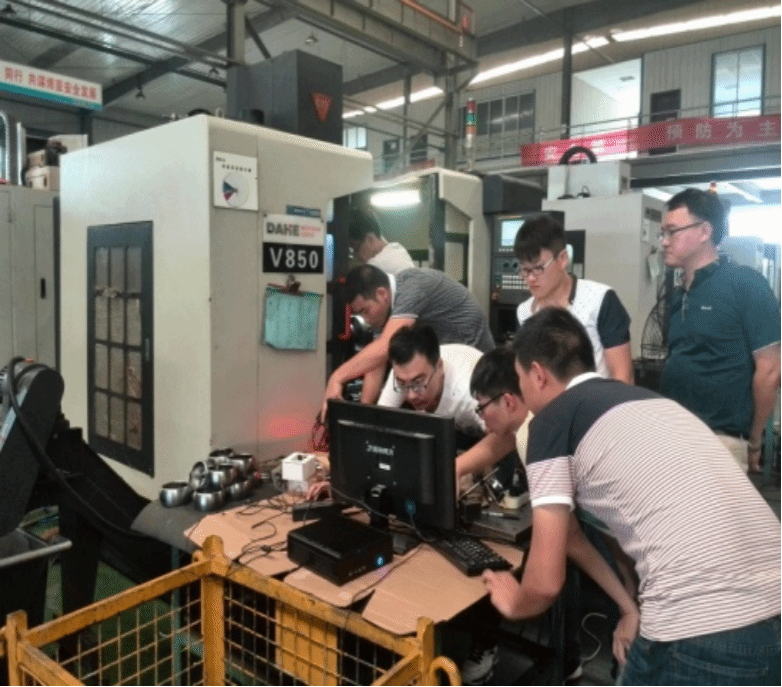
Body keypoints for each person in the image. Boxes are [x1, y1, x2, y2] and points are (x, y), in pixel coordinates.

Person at [483, 307, 780, 686]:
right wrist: (630, 606)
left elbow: (544, 583)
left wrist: (514, 602)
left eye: (521, 379)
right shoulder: (650, 401)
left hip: (701, 625)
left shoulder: (551, 422)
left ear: (538, 375)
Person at [659, 188, 781, 473]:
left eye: (672, 232)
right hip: (672, 435)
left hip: (719, 441)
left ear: (705, 231)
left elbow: (770, 371)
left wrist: (754, 440)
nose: (664, 241)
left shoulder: (746, 285)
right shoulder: (679, 294)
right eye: (662, 233)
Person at [321, 265, 494, 416]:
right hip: (441, 375)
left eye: (366, 311)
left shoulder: (412, 286)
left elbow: (384, 347)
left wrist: (337, 377)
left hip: (474, 370)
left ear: (382, 294)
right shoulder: (384, 312)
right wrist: (363, 414)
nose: (365, 319)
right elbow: (376, 362)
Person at [377, 324, 515, 486]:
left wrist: (456, 468)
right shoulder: (405, 373)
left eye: (418, 383)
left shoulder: (468, 390)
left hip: (489, 429)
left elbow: (507, 437)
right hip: (446, 430)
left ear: (440, 367)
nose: (411, 395)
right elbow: (380, 425)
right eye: (402, 385)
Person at [514, 214, 634, 384]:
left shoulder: (599, 300)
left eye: (538, 268)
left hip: (596, 399)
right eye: (525, 270)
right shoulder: (524, 312)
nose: (531, 278)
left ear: (562, 259)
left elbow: (623, 378)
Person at [349, 208, 415, 275]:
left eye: (356, 248)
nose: (356, 256)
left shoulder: (374, 266)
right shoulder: (398, 249)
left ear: (370, 239)